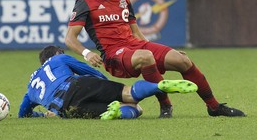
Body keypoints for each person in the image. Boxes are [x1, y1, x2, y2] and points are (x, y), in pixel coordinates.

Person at [65, 0, 246, 118]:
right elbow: (70, 38)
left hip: (135, 45)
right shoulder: (85, 2)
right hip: (114, 54)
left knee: (182, 60)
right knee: (146, 57)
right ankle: (165, 104)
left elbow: (136, 33)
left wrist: (163, 51)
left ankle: (214, 107)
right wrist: (87, 53)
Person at [18, 45, 197, 119]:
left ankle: (117, 112)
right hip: (77, 86)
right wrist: (109, 87)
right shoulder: (59, 59)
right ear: (57, 54)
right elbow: (91, 72)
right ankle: (158, 86)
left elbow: (23, 113)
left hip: (67, 110)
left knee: (128, 111)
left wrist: (43, 115)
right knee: (129, 96)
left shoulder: (30, 85)